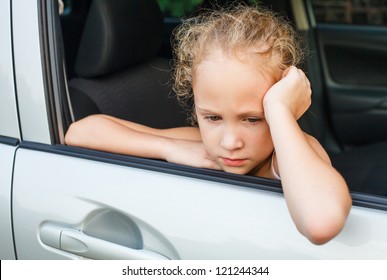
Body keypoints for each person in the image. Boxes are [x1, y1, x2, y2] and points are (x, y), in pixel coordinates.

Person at [65, 5, 352, 245]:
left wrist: (279, 111)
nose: (229, 142)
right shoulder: (199, 145)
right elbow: (80, 132)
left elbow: (320, 222)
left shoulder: (288, 157)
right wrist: (168, 148)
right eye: (213, 118)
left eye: (253, 119)